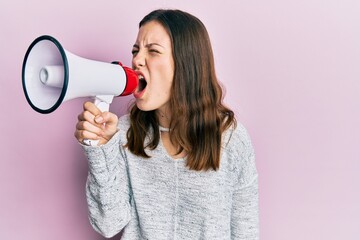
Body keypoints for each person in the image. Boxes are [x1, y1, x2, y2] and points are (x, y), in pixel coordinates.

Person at [75, 9, 258, 240]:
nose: (136, 60)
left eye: (152, 51)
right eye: (136, 50)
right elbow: (108, 223)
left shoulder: (231, 139)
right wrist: (100, 150)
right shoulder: (122, 133)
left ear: (186, 64)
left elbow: (246, 232)